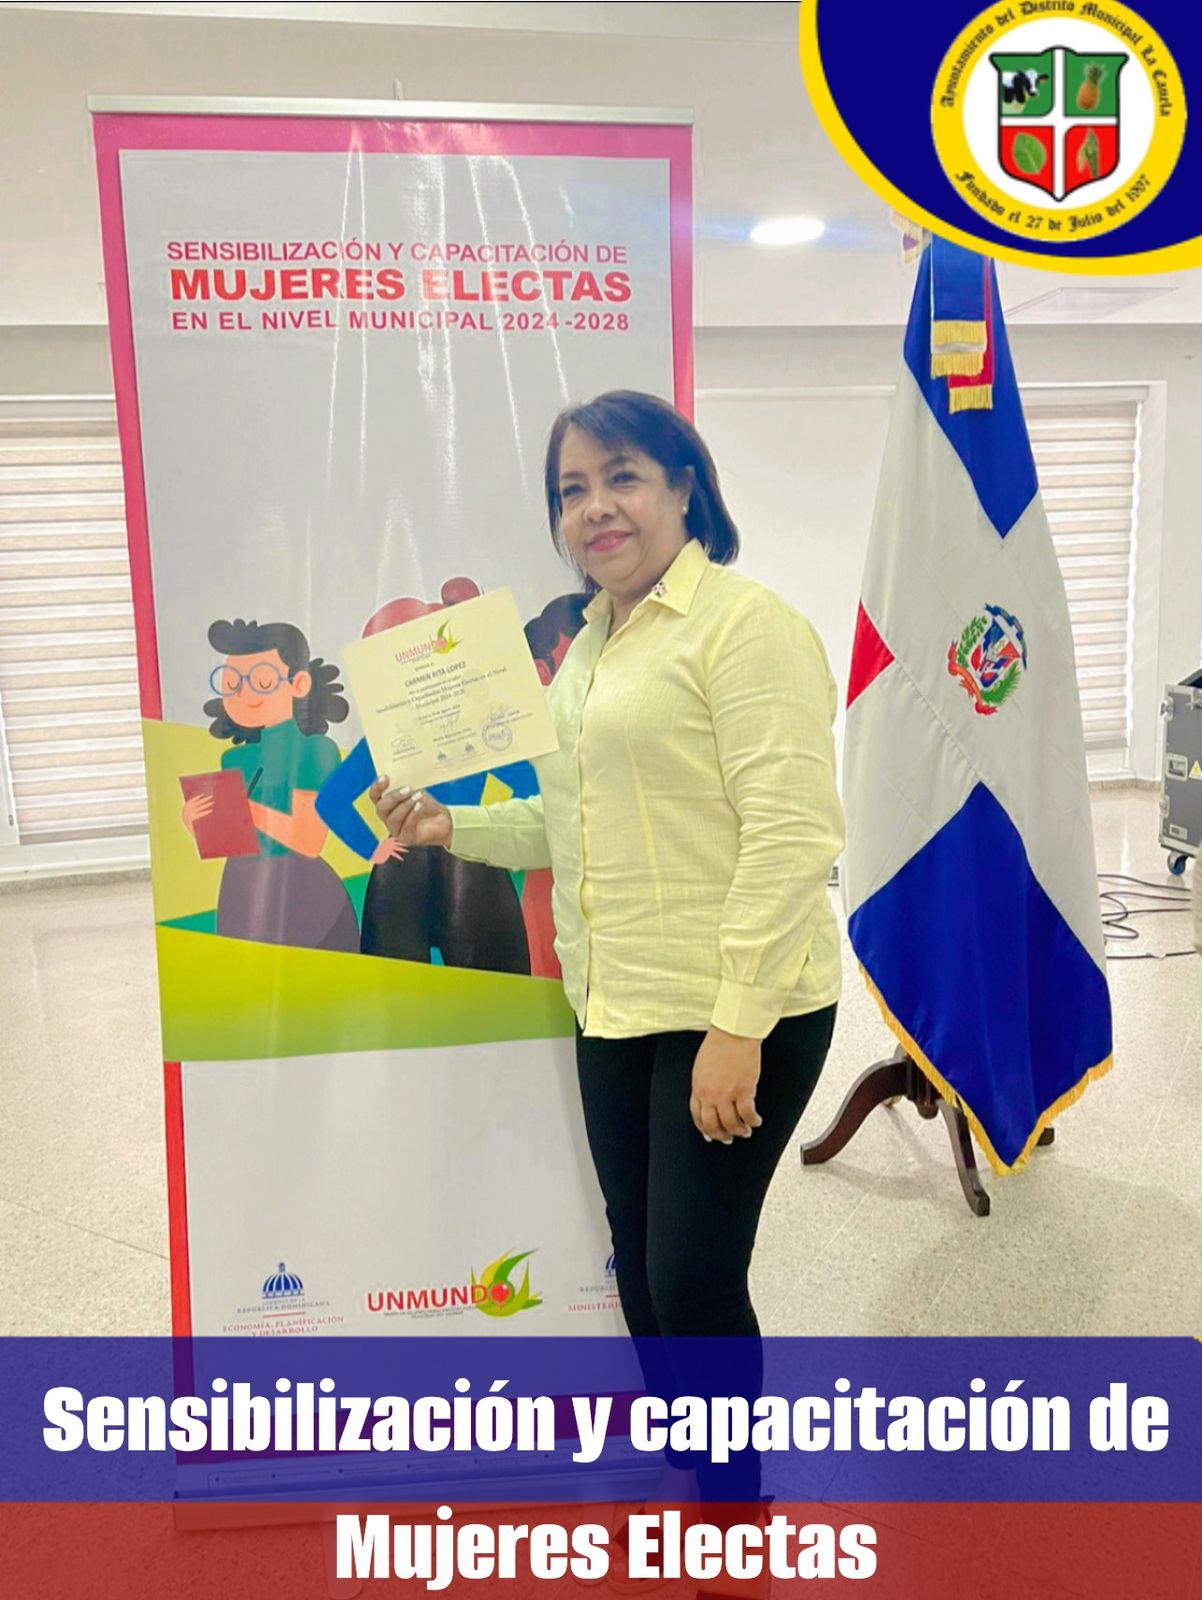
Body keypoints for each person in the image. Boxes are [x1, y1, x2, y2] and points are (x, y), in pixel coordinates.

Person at [371, 391, 844, 1518]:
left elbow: (792, 837)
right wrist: (451, 826)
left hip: (737, 1007)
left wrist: (737, 1026)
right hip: (614, 1000)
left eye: (620, 476)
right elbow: (570, 818)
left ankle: (731, 1509)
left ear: (685, 487)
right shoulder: (587, 647)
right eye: (571, 490)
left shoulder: (746, 627)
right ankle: (692, 1459)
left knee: (694, 1275)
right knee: (636, 1258)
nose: (595, 508)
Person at [182, 618, 360, 953]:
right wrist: (196, 821)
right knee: (246, 974)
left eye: (262, 681)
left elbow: (309, 840)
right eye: (232, 683)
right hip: (241, 889)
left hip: (304, 896)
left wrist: (245, 809)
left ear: (299, 684)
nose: (244, 693)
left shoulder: (316, 750)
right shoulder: (234, 759)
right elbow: (234, 839)